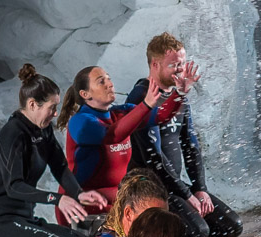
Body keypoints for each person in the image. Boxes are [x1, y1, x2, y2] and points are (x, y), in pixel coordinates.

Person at [0, 64, 109, 237]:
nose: (56, 114)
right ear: (32, 105)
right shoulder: (13, 133)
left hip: (26, 220)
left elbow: (59, 166)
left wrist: (79, 193)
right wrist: (57, 199)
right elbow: (14, 187)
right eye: (52, 107)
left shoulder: (43, 130)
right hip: (2, 225)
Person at [127, 32, 243, 237]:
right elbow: (154, 158)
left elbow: (191, 146)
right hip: (149, 189)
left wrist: (199, 189)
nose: (180, 70)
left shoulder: (178, 97)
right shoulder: (141, 97)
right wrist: (187, 195)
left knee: (231, 226)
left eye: (182, 63)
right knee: (198, 232)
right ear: (155, 65)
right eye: (174, 65)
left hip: (174, 187)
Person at [55, 65, 180, 223]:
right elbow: (113, 135)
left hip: (111, 197)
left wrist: (180, 92)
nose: (110, 84)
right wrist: (146, 105)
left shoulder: (121, 113)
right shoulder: (80, 122)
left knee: (156, 208)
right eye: (101, 81)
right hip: (81, 202)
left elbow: (161, 116)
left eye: (109, 79)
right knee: (145, 217)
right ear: (85, 94)